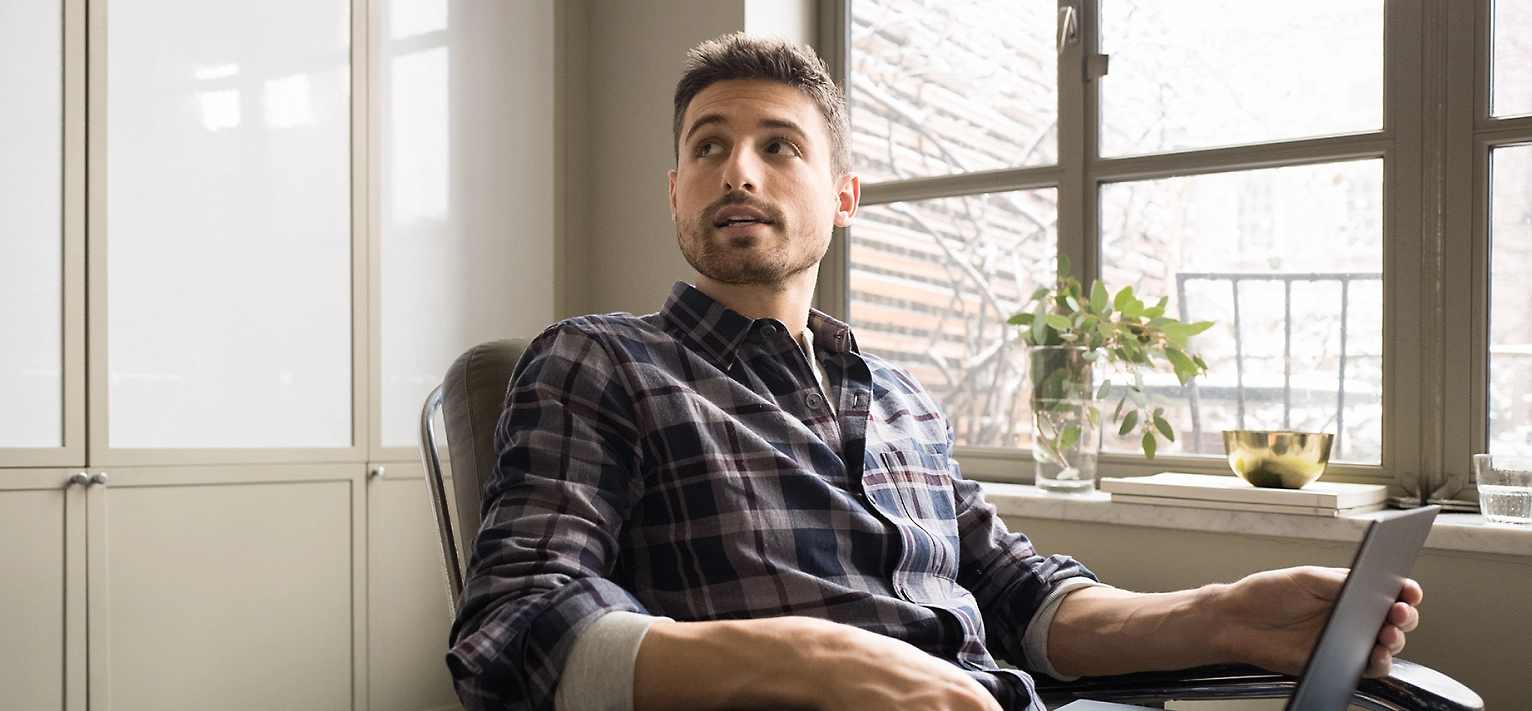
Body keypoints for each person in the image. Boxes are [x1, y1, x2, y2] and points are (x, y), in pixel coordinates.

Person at [446, 33, 1421, 711]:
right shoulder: (600, 363)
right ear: (673, 194)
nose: (737, 170)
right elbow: (515, 633)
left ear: (843, 194)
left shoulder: (900, 401)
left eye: (775, 145)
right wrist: (818, 663)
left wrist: (1221, 615)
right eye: (707, 148)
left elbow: (1027, 601)